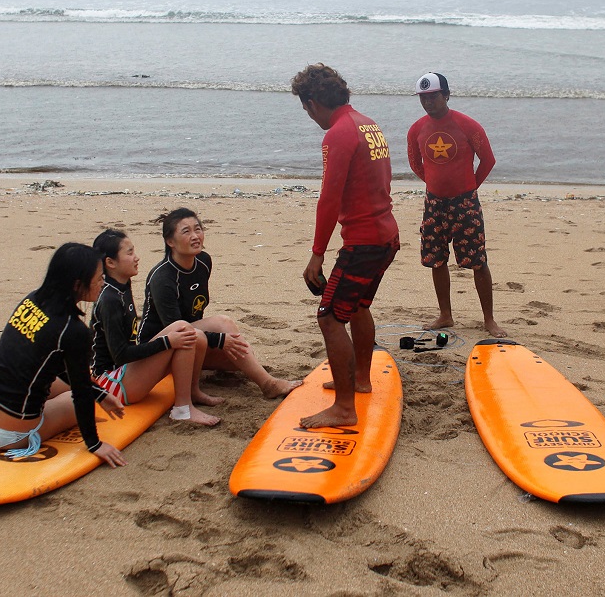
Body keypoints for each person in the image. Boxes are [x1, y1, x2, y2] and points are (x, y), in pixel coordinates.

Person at [291, 63, 400, 429]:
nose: (308, 116)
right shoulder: (368, 124)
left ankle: (343, 408)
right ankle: (361, 380)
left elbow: (329, 198)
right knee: (357, 307)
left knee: (329, 316)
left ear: (311, 103)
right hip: (386, 235)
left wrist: (317, 253)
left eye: (305, 108)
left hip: (364, 242)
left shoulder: (337, 133)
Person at [0, 243, 126, 467]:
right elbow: (80, 395)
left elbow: (51, 360)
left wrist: (98, 392)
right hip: (10, 434)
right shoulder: (74, 331)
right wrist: (95, 444)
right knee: (72, 402)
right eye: (99, 278)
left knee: (62, 383)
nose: (103, 282)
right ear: (78, 284)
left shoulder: (32, 300)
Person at [137, 210, 303, 399]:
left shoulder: (203, 261)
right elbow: (176, 328)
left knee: (239, 358)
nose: (195, 236)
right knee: (224, 324)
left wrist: (220, 343)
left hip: (192, 342)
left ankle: (203, 366)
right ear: (170, 242)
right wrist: (219, 340)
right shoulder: (163, 277)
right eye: (186, 232)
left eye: (197, 229)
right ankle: (268, 384)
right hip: (159, 349)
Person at [407, 72, 507, 337]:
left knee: (477, 260)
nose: (428, 102)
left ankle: (489, 319)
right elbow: (415, 162)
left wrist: (469, 187)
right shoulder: (416, 129)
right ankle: (445, 315)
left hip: (465, 203)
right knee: (436, 259)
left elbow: (488, 160)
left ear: (447, 95)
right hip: (433, 203)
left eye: (433, 96)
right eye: (423, 98)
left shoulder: (468, 125)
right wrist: (434, 184)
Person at [91, 229, 221, 426]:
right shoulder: (109, 298)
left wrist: (167, 343)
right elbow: (120, 355)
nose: (136, 258)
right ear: (110, 263)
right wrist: (167, 342)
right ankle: (182, 410)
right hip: (110, 385)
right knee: (181, 330)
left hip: (125, 374)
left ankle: (193, 392)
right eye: (130, 253)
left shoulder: (121, 286)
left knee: (197, 337)